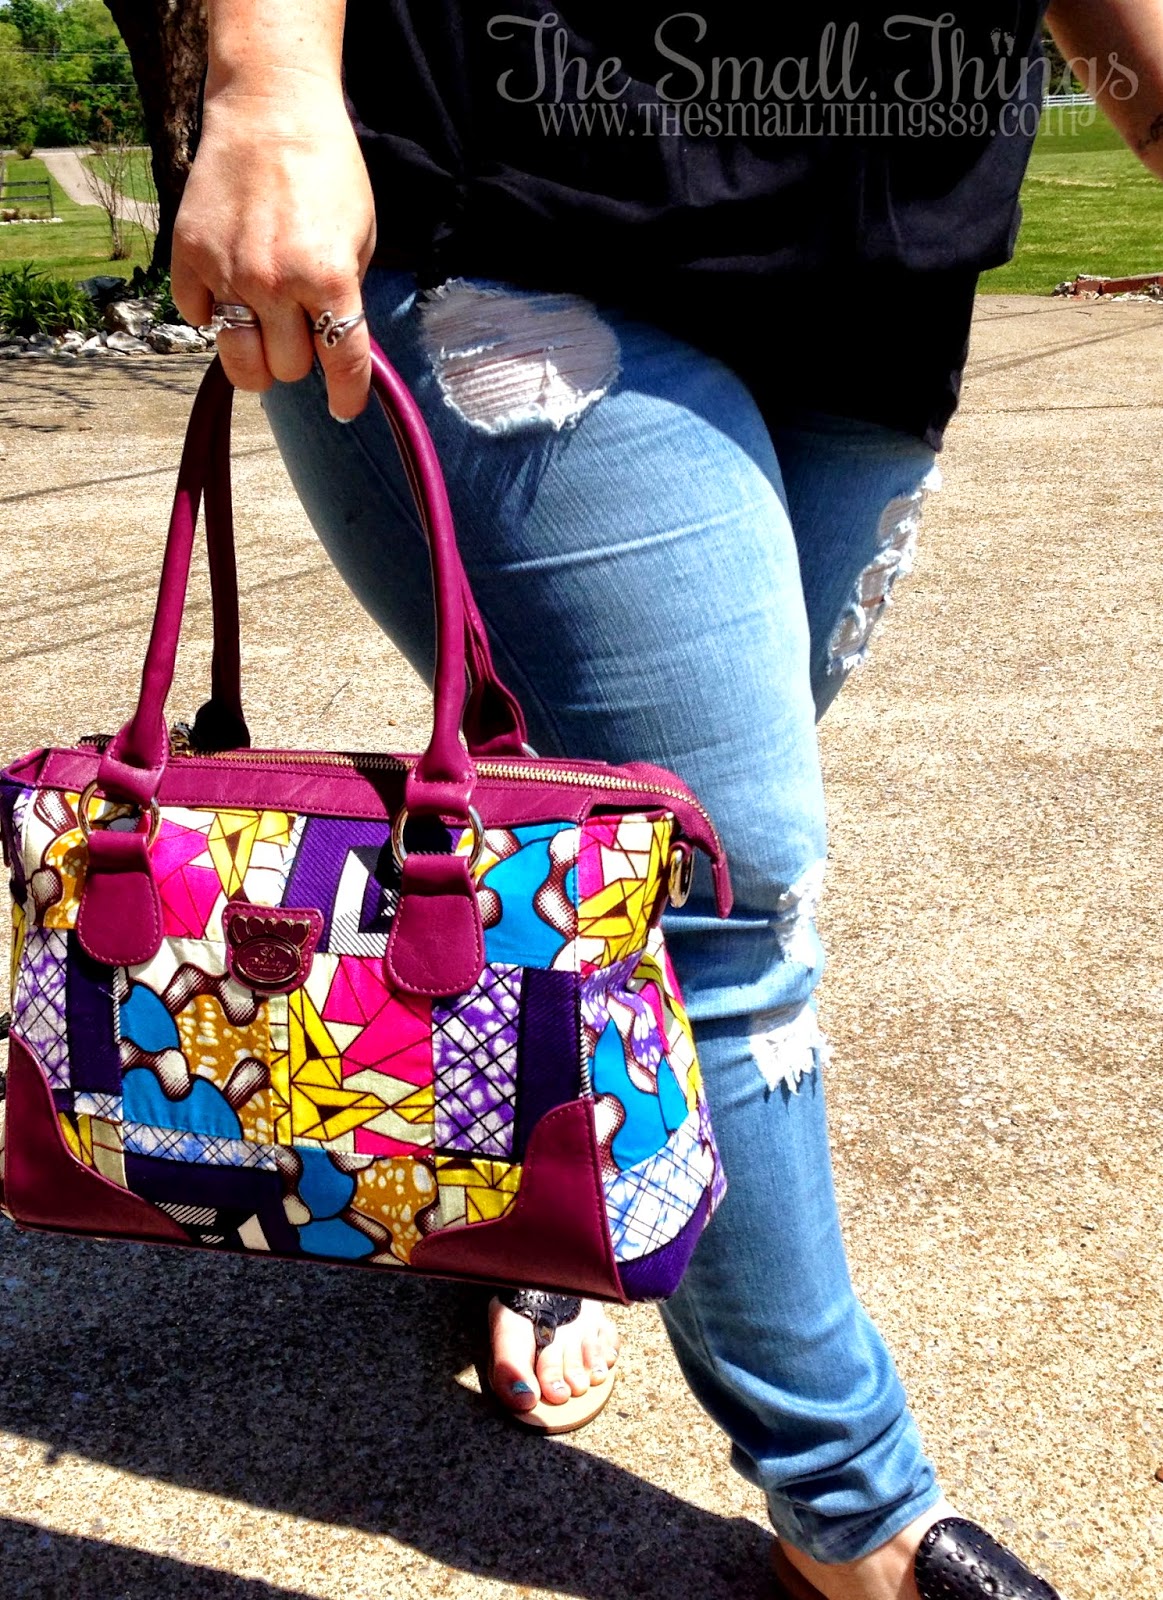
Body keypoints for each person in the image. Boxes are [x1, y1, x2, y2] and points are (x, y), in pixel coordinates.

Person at [171, 3, 1162, 1594]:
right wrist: (268, 74)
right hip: (516, 190)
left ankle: (539, 1183)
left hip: (877, 261)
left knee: (604, 836)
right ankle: (856, 1517)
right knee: (718, 884)